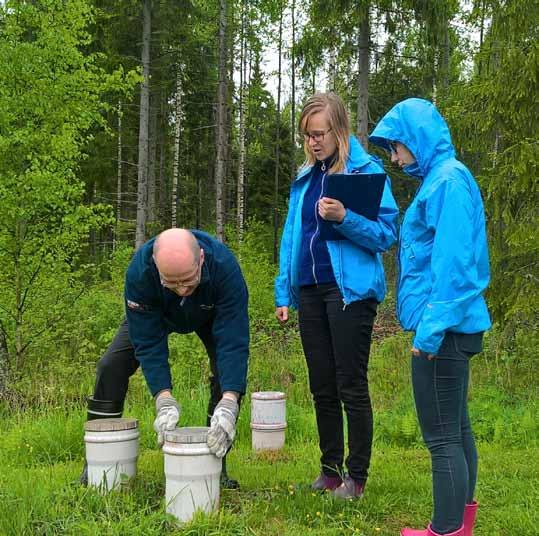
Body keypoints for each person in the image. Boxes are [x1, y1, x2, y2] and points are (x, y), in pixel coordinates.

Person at [369, 98, 491, 536]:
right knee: (456, 428)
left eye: (396, 147)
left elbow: (454, 267)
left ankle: (445, 530)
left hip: (446, 328)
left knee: (441, 438)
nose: (395, 158)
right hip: (454, 325)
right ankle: (461, 524)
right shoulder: (441, 180)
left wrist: (431, 331)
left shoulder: (448, 182)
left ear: (417, 138)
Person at [275, 92, 398, 499]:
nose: (312, 142)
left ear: (339, 130)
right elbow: (292, 237)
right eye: (307, 135)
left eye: (319, 134)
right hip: (309, 290)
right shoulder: (305, 178)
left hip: (350, 293)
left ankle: (356, 479)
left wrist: (345, 218)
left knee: (350, 384)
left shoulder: (365, 172)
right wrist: (283, 291)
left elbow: (385, 235)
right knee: (321, 385)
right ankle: (329, 472)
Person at [81, 228, 249, 489]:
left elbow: (233, 342)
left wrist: (230, 401)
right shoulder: (139, 272)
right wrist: (164, 398)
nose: (182, 290)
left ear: (201, 259)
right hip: (158, 314)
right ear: (157, 268)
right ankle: (95, 464)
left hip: (211, 313)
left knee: (226, 375)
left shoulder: (225, 268)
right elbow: (147, 343)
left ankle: (216, 465)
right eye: (171, 282)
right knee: (110, 365)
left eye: (188, 280)